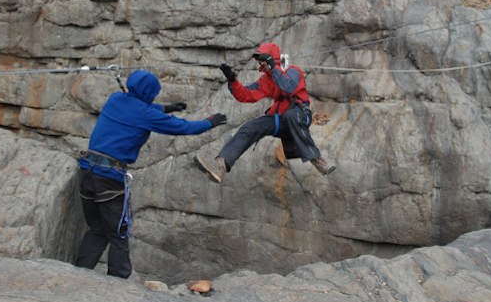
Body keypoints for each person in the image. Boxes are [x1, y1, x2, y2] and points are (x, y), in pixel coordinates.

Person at [75, 69, 227, 279]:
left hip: (86, 172)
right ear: (149, 94)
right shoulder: (147, 115)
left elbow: (136, 107)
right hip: (108, 178)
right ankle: (116, 281)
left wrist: (165, 108)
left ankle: (78, 274)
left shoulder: (115, 99)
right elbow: (184, 127)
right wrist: (210, 122)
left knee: (97, 229)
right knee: (118, 233)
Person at [195, 42, 335, 183]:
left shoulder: (293, 71)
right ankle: (220, 166)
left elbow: (288, 87)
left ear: (271, 59)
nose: (260, 63)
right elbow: (246, 95)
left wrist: (273, 68)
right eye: (259, 60)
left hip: (301, 114)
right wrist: (232, 81)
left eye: (262, 59)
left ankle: (317, 159)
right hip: (281, 119)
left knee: (290, 115)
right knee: (250, 127)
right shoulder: (266, 80)